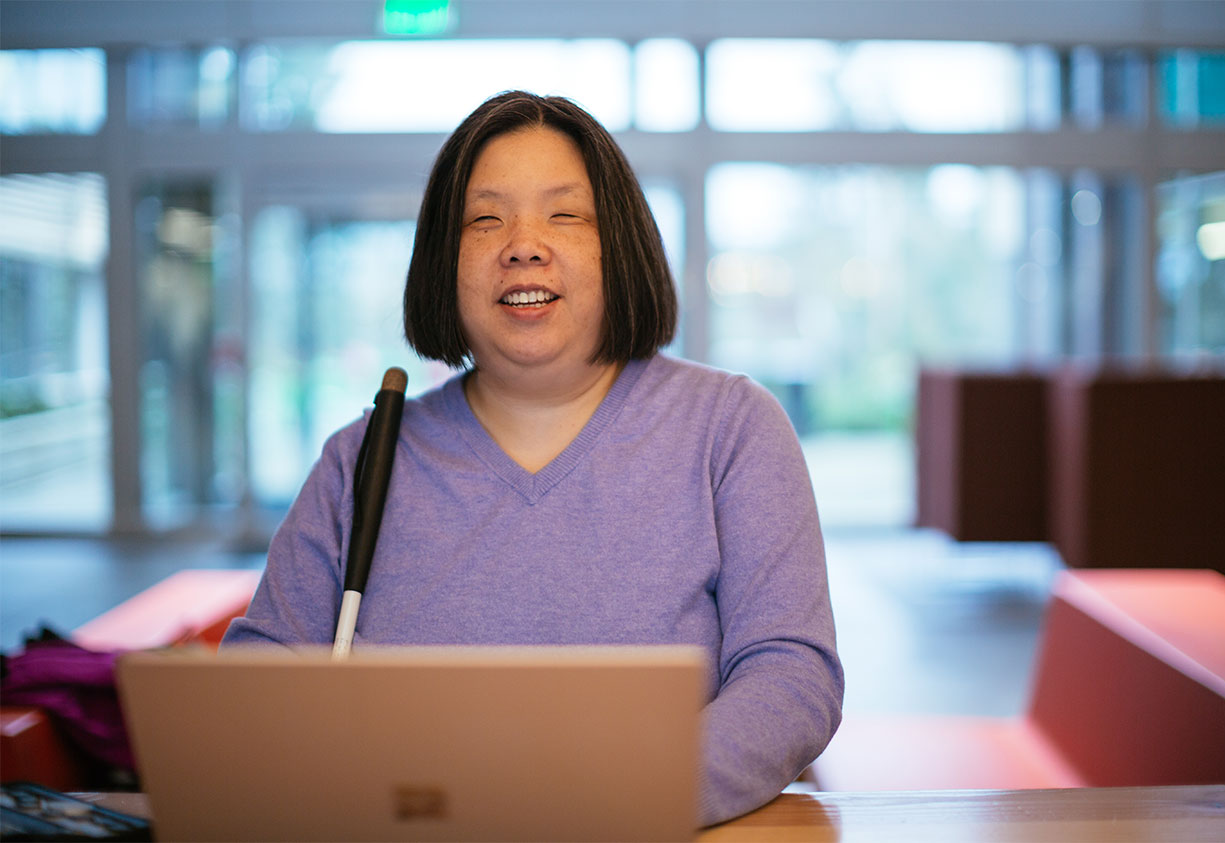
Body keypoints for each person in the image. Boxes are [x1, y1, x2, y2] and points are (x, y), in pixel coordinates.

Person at [221, 90, 844, 827]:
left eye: (565, 213)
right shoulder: (361, 460)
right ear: (441, 262)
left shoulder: (731, 428)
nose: (523, 243)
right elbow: (254, 694)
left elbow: (791, 675)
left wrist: (628, 799)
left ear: (620, 243)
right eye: (485, 218)